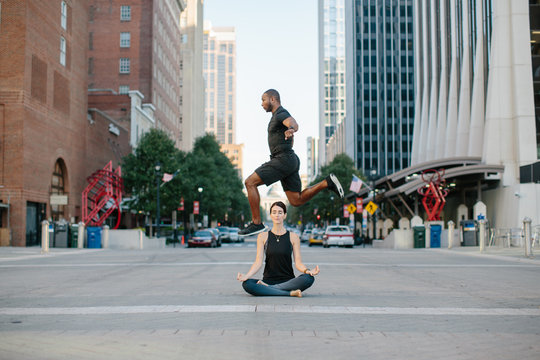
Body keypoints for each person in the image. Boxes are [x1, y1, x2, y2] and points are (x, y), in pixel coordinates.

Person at [239, 89, 344, 236]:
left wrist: (292, 128)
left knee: (250, 182)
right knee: (296, 200)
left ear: (273, 99)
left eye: (263, 100)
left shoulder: (280, 113)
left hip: (282, 159)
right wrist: (289, 132)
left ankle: (256, 223)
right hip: (290, 160)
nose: (261, 104)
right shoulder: (277, 116)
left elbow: (293, 122)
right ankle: (326, 183)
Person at [237, 201, 320, 297]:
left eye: (280, 212)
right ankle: (289, 293)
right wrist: (247, 276)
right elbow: (258, 262)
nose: (277, 215)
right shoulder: (263, 236)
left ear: (285, 215)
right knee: (247, 284)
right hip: (268, 280)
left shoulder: (293, 237)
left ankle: (268, 289)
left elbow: (298, 263)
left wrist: (307, 271)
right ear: (271, 215)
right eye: (274, 212)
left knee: (309, 278)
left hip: (289, 281)